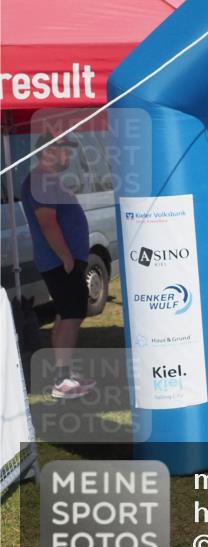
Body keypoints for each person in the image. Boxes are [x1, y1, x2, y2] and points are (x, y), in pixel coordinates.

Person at [21, 134, 96, 399]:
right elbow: (47, 222)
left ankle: (64, 374)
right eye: (65, 150)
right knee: (71, 315)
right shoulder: (40, 179)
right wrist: (65, 257)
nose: (69, 155)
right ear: (50, 151)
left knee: (66, 314)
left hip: (63, 261)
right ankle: (61, 380)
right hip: (60, 262)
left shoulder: (47, 179)